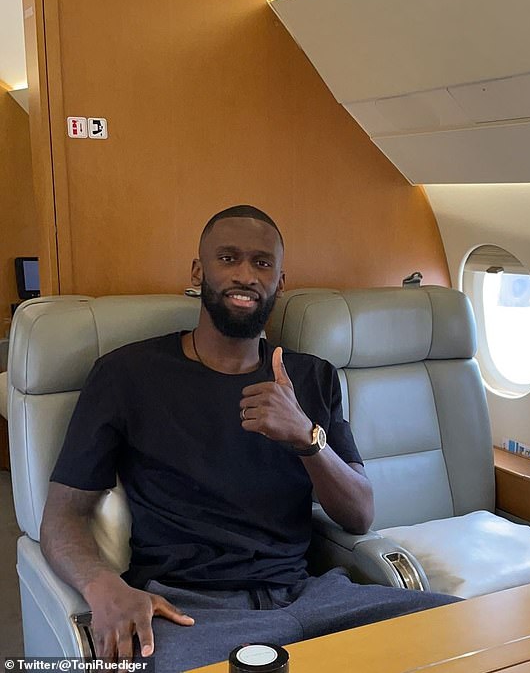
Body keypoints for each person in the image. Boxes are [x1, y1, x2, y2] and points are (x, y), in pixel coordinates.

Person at [40, 205, 459, 670]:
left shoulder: (311, 377)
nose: (245, 275)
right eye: (228, 258)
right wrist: (104, 587)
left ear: (280, 282)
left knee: (463, 636)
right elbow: (62, 518)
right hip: (191, 613)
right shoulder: (126, 375)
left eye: (262, 263)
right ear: (199, 271)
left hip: (312, 597)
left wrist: (305, 437)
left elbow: (359, 515)